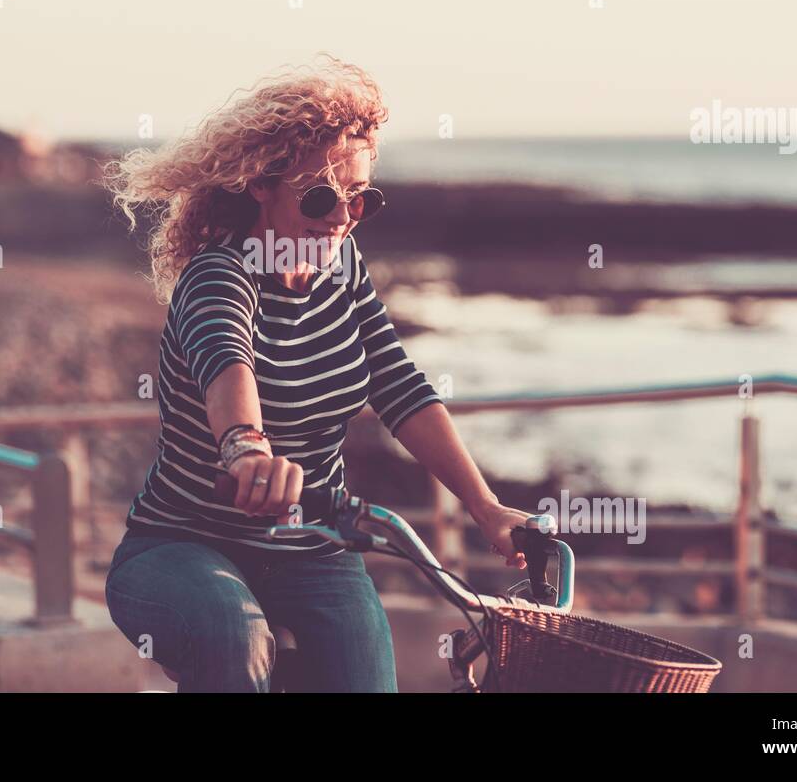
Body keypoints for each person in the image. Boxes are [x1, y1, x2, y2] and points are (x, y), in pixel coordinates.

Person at [101, 56, 528, 692]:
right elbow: (227, 364)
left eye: (360, 199)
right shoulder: (219, 277)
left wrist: (485, 506)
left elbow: (398, 383)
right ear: (260, 185)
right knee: (232, 632)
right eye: (322, 195)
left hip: (312, 549)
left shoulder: (342, 266)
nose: (341, 217)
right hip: (180, 548)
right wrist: (246, 450)